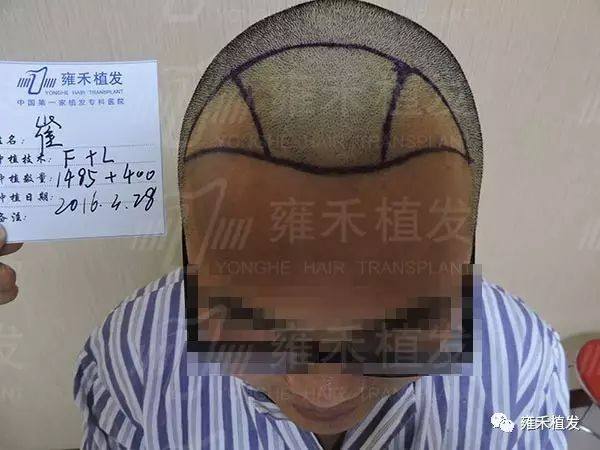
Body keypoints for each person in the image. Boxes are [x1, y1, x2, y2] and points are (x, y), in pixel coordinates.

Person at [1, 1, 569, 449]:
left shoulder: (523, 366)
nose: (324, 390)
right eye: (257, 326)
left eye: (394, 334)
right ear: (191, 256)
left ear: (465, 256)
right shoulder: (131, 362)